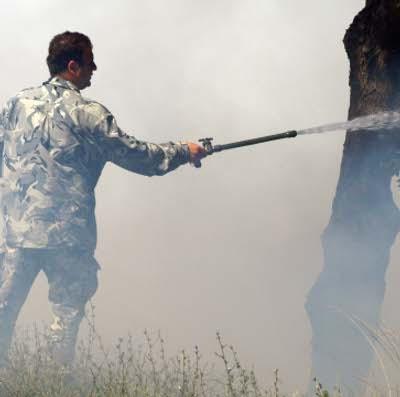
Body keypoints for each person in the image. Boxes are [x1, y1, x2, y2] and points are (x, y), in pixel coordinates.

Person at [0, 31, 206, 365]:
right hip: (67, 237)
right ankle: (55, 386)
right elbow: (139, 156)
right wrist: (186, 151)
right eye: (89, 61)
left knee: (2, 315)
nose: (94, 68)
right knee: (64, 325)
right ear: (72, 66)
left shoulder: (14, 105)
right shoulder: (89, 113)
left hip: (17, 234)